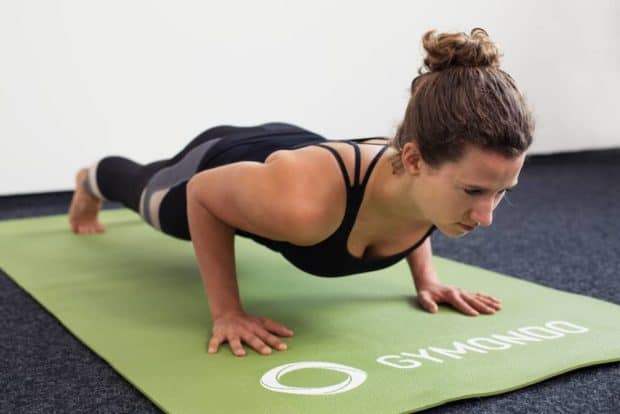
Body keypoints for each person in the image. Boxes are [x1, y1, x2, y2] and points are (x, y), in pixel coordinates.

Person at [68, 28, 535, 357]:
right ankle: (92, 177)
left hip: (300, 148)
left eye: (501, 192)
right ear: (413, 160)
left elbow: (417, 206)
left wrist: (426, 280)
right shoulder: (302, 206)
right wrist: (228, 312)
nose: (486, 215)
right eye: (474, 191)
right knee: (152, 200)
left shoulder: (431, 181)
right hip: (228, 159)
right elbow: (204, 195)